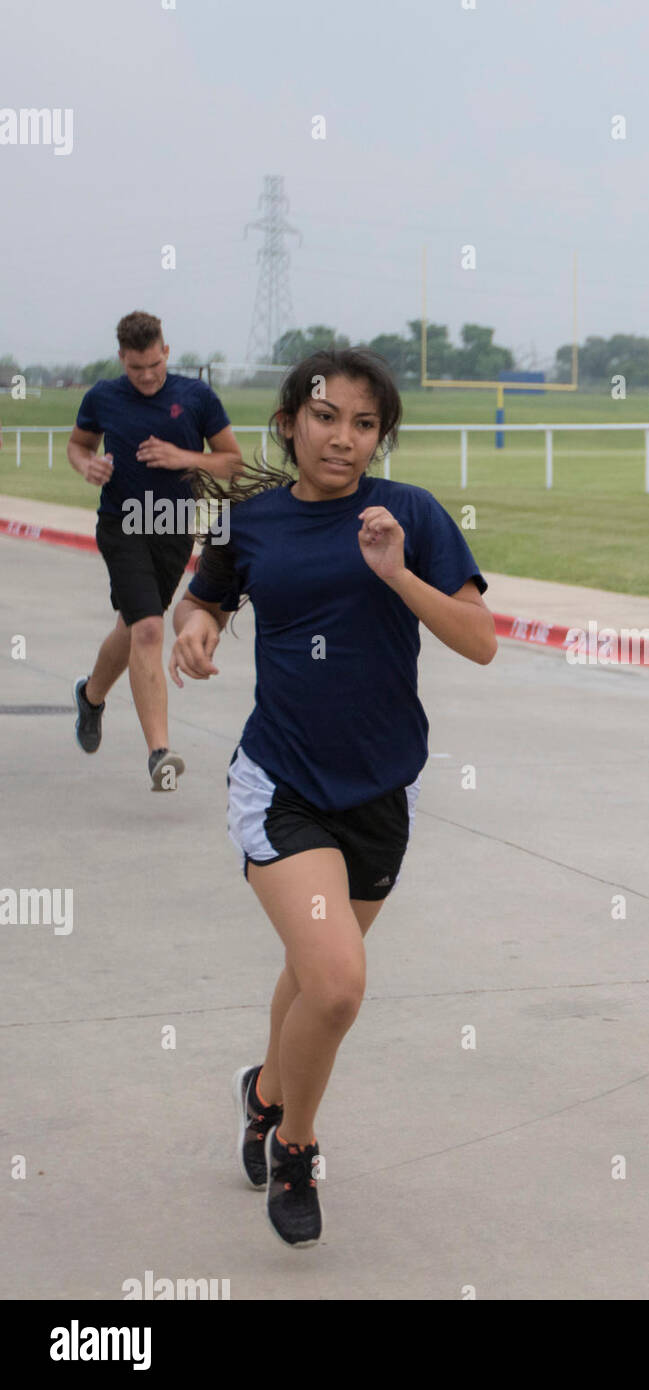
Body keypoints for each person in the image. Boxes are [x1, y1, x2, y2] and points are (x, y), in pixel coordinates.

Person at [168, 347, 495, 1247]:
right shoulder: (253, 521)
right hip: (282, 783)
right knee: (341, 985)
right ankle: (297, 1147)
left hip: (383, 787)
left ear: (379, 436)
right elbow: (205, 603)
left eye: (363, 424)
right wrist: (193, 635)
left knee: (315, 976)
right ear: (289, 423)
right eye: (325, 417)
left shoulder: (413, 517)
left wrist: (397, 574)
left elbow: (480, 640)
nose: (343, 438)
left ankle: (264, 1092)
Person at [67, 311, 242, 788]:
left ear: (166, 351)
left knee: (131, 624)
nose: (146, 377)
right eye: (136, 368)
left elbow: (232, 463)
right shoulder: (102, 396)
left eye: (154, 366)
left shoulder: (196, 397)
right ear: (122, 358)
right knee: (148, 627)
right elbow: (78, 445)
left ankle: (92, 695)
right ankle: (159, 752)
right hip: (121, 524)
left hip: (173, 528)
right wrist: (87, 466)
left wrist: (183, 457)